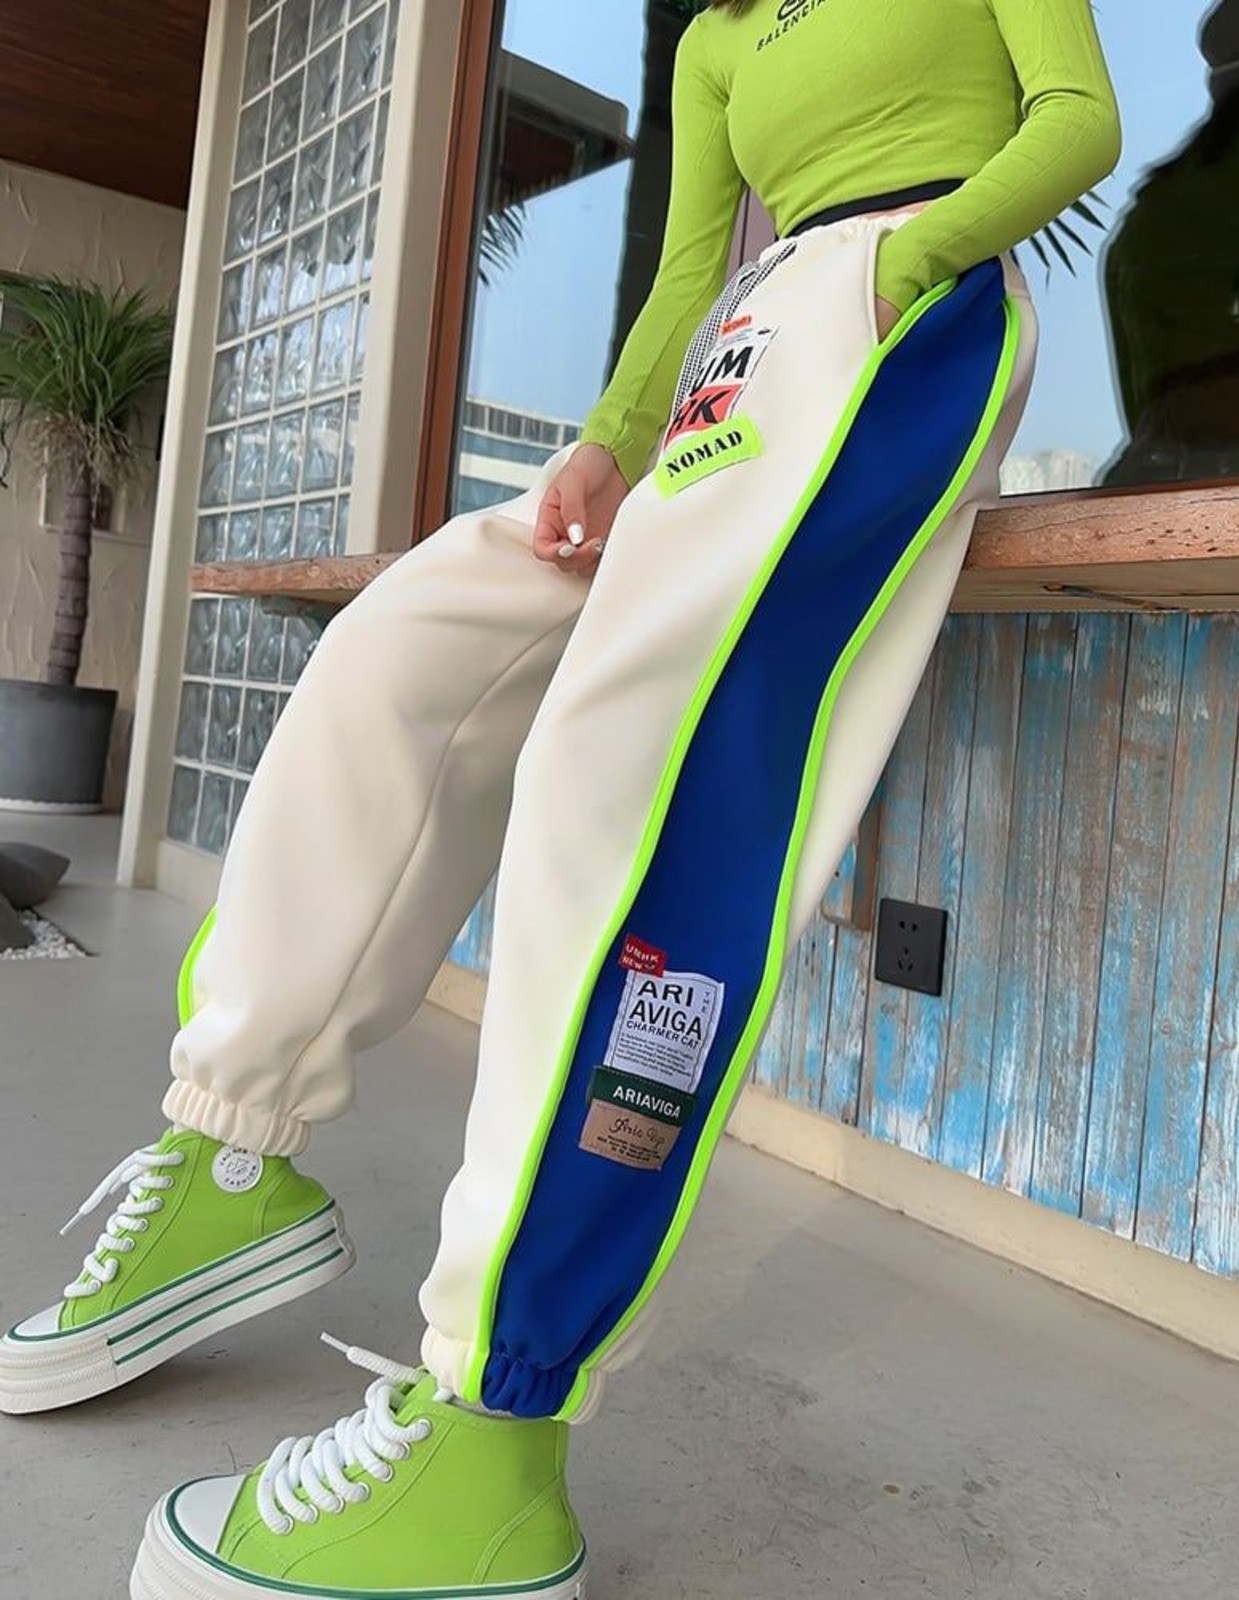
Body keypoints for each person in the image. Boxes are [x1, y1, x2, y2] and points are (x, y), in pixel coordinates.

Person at [3, 1, 1120, 1594]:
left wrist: (910, 261)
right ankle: (234, 1142)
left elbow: (1078, 121)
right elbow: (685, 271)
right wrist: (603, 443)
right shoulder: (719, 34)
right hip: (741, 351)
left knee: (632, 780)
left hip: (901, 314)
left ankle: (495, 1428)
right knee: (405, 643)